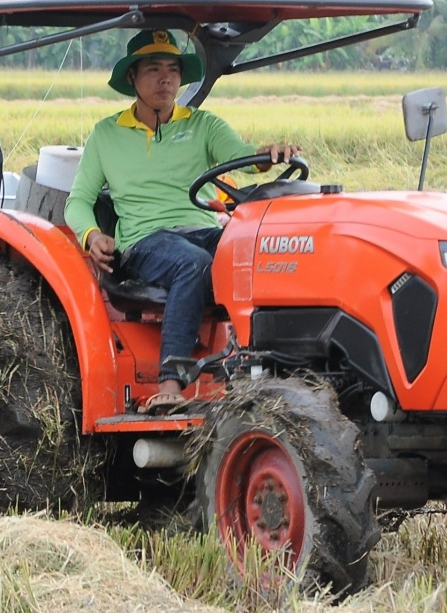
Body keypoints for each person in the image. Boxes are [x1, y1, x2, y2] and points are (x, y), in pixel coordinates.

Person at [63, 29, 300, 406]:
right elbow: (78, 201)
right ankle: (170, 384)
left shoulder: (204, 125)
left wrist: (267, 155)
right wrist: (91, 235)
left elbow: (241, 155)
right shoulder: (106, 135)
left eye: (173, 70)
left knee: (267, 251)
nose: (166, 79)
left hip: (204, 229)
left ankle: (281, 370)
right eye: (154, 69)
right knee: (194, 263)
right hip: (145, 241)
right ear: (132, 77)